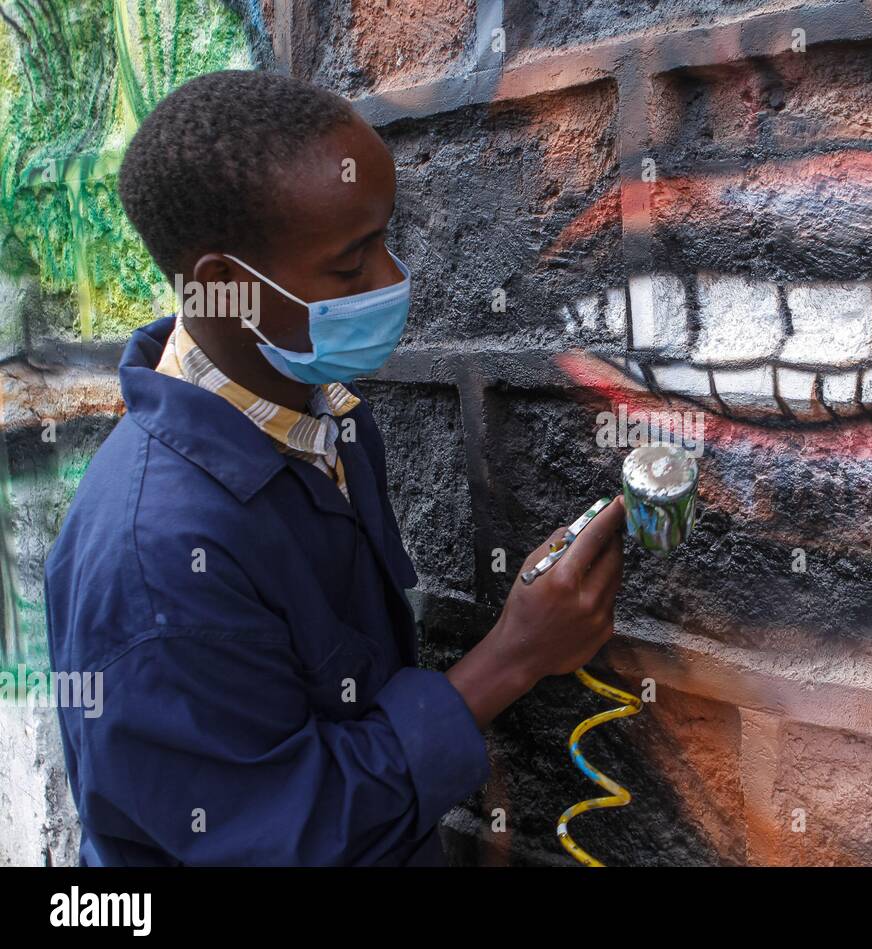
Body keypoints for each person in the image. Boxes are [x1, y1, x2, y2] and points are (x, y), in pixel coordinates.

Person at [42, 69, 625, 866]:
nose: (391, 283)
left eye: (387, 240)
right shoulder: (155, 560)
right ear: (224, 288)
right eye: (350, 268)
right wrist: (513, 658)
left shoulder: (321, 415)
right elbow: (277, 836)